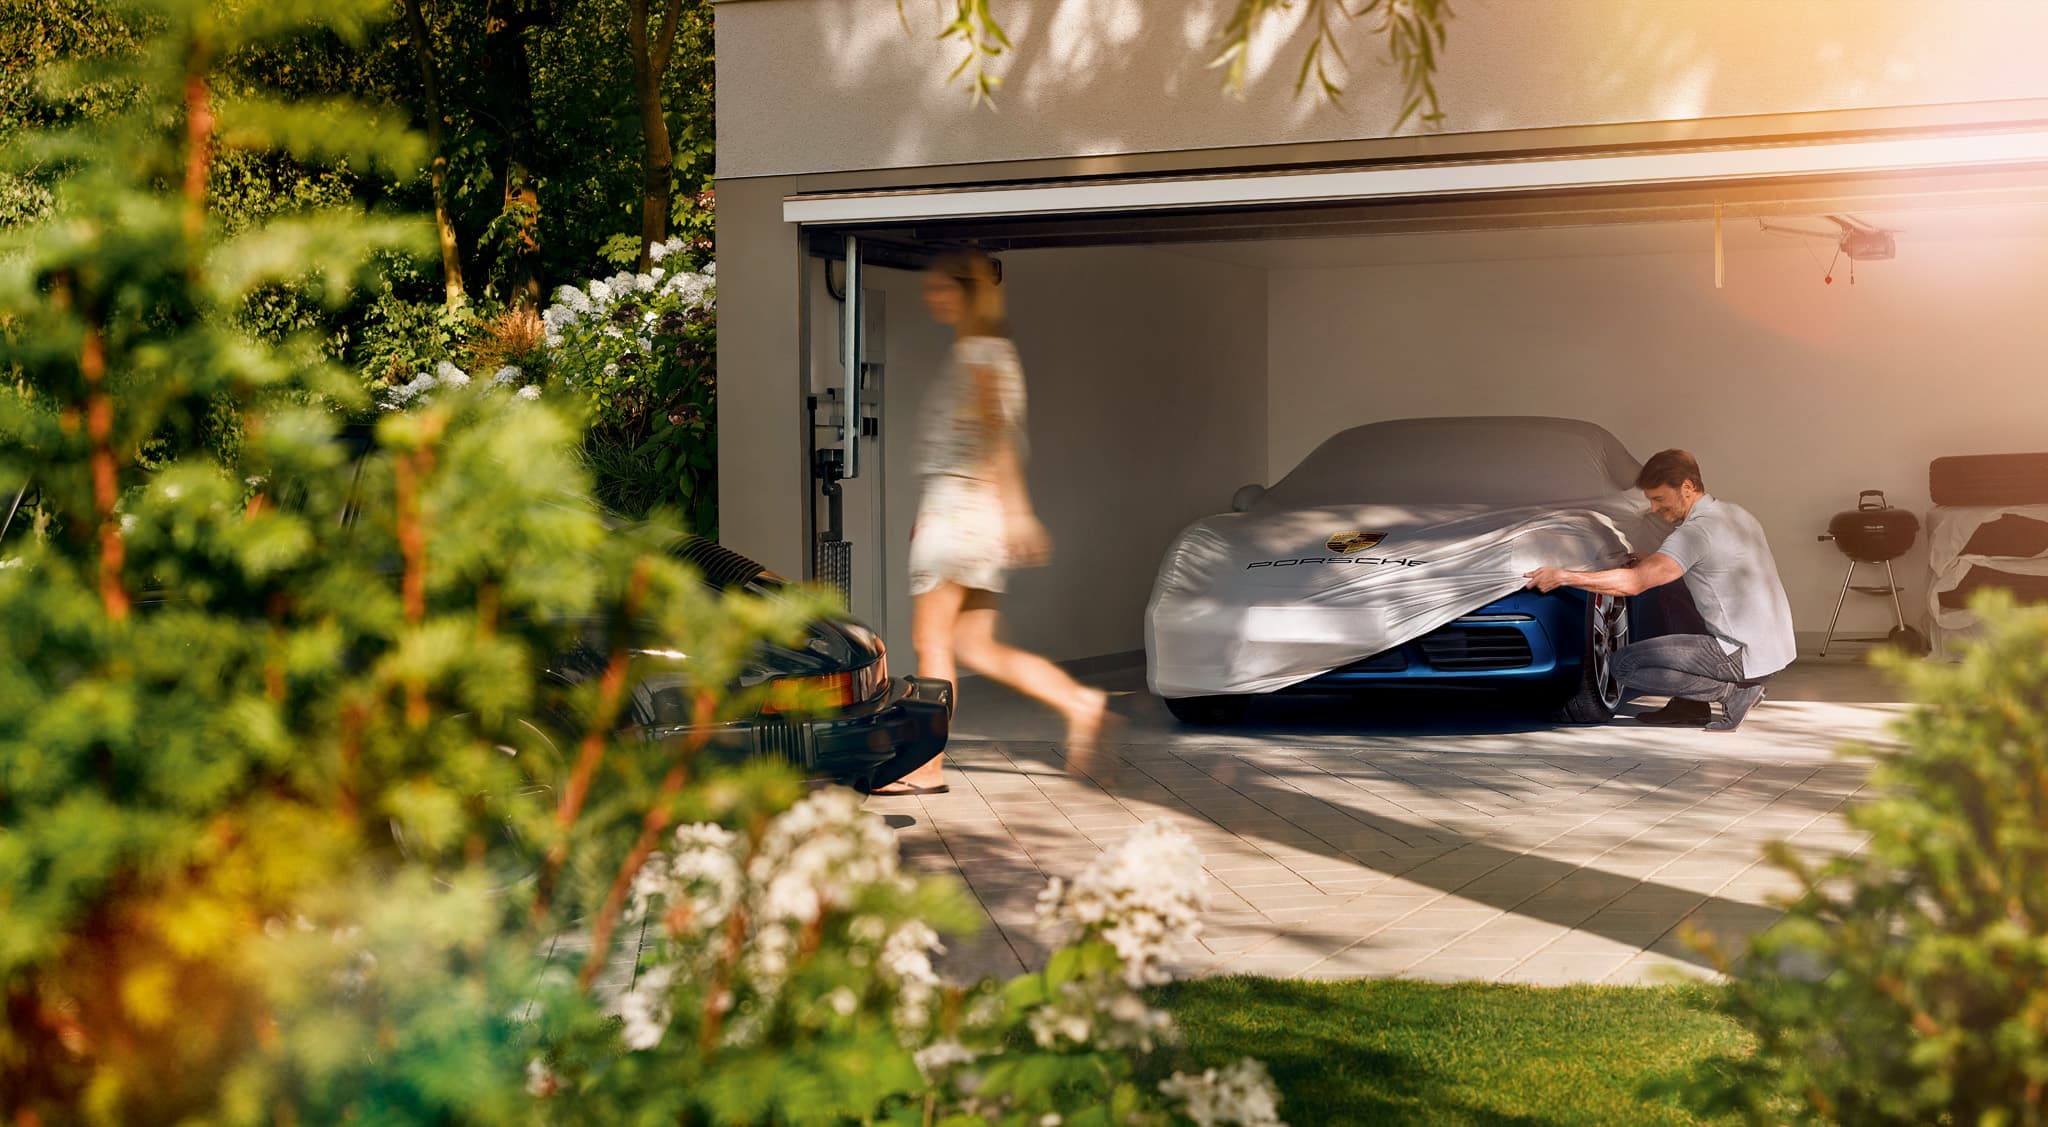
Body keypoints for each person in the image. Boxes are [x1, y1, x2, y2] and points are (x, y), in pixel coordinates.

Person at [870, 252, 1111, 795]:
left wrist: (1020, 512)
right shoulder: (989, 352)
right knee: (976, 647)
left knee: (930, 642)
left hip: (959, 513)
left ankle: (925, 767)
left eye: (941, 290)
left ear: (966, 293)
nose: (933, 298)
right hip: (970, 515)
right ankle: (1079, 701)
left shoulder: (978, 354)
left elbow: (997, 436)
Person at [1524, 449, 1795, 731]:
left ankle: (1733, 693)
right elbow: (1703, 561)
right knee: (1671, 592)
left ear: (1687, 488)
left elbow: (1634, 584)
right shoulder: (1735, 513)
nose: (1654, 508)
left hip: (1739, 654)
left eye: (1659, 498)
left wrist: (1563, 576)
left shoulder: (1694, 533)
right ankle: (1691, 706)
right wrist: (1652, 560)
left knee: (1624, 665)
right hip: (1774, 649)